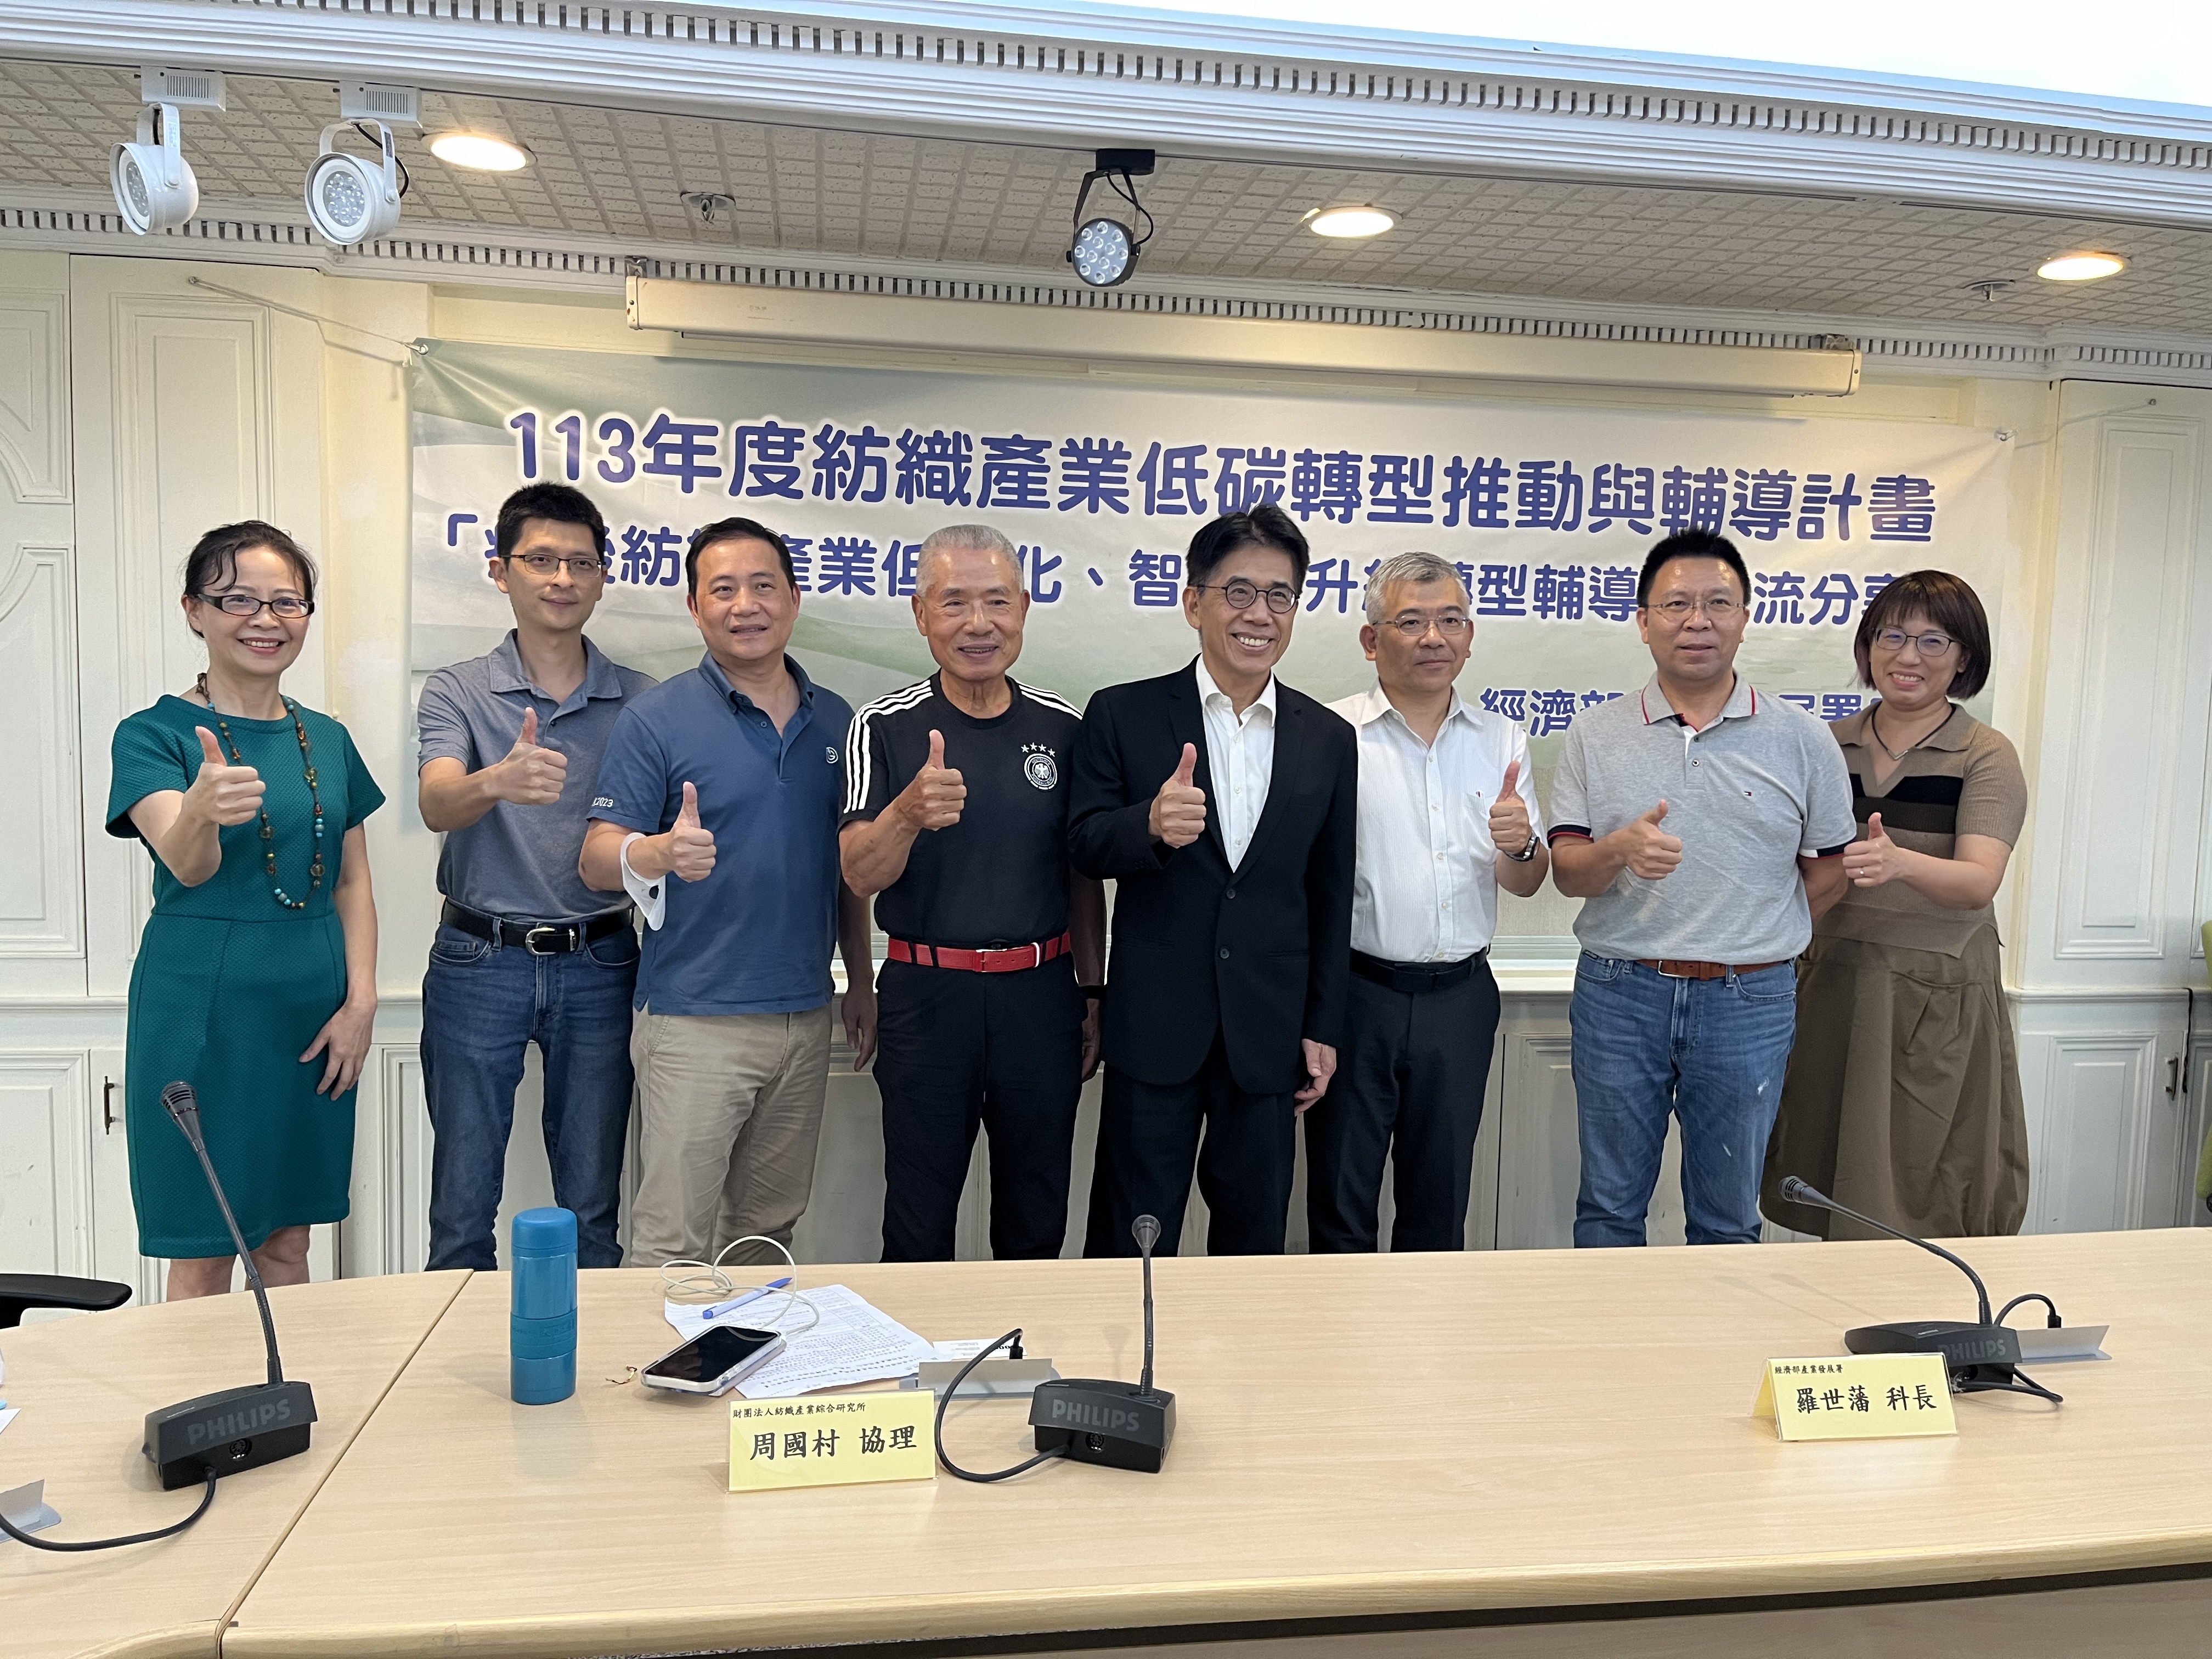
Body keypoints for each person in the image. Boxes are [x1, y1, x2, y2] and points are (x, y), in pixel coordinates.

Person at [580, 517, 875, 1268]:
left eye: (763, 586)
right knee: (671, 1243)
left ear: (795, 599)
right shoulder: (656, 717)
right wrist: (658, 851)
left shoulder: (838, 720)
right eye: (723, 590)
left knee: (767, 1236)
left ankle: (748, 1351)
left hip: (805, 1016)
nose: (746, 606)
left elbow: (848, 868)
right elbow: (595, 859)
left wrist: (861, 980)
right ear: (695, 608)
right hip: (694, 1021)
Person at [1548, 528, 1854, 1248]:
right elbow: (1567, 871)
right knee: (1609, 1208)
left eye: (1718, 603)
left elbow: (1829, 872)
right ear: (1643, 620)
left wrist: (1751, 929)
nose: (1698, 621)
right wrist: (1618, 850)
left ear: (1745, 617)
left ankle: (1719, 1331)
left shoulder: (1804, 737)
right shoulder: (1594, 732)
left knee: (1727, 1219)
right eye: (1676, 604)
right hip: (1621, 992)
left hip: (1750, 999)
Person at [1068, 503, 1357, 1257]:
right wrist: (1148, 825)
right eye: (1239, 592)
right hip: (1155, 1029)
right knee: (1130, 1244)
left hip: (1268, 1036)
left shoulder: (1327, 738)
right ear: (1194, 602)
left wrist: (1323, 1027)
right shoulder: (1123, 713)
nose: (1259, 614)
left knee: (1253, 1250)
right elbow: (1083, 843)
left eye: (1280, 595)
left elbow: (1331, 894)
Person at [108, 522, 383, 1299]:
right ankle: (201, 1384)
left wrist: (361, 1004)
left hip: (312, 1012)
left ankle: (285, 1382)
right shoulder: (153, 734)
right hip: (201, 1006)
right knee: (205, 1243)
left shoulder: (326, 738)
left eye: (287, 602)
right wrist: (199, 811)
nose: (266, 620)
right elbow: (189, 865)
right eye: (238, 600)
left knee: (291, 1238)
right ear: (194, 610)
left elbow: (352, 882)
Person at [840, 525, 1107, 1261]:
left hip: (1042, 995)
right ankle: (917, 1343)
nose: (978, 623)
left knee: (1036, 1217)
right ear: (921, 613)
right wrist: (906, 813)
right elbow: (858, 873)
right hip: (928, 998)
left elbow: (1083, 874)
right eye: (954, 602)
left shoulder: (1066, 727)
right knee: (918, 1222)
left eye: (996, 601)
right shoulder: (883, 726)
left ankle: (1026, 1339)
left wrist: (1093, 990)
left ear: (1024, 608)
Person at [415, 483, 655, 1273]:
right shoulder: (457, 688)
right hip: (479, 958)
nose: (562, 579)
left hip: (603, 960)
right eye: (541, 560)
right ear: (500, 571)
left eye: (581, 563)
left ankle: (588, 1350)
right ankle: (458, 1348)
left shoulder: (641, 701)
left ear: (602, 578)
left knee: (593, 1206)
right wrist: (498, 780)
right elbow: (436, 802)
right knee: (462, 1207)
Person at [1762, 572, 2029, 1239]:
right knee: (1821, 1174)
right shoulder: (1825, 743)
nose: (1909, 656)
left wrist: (1900, 863)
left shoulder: (1986, 754)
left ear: (1964, 658)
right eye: (1893, 636)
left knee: (1923, 1186)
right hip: (1828, 980)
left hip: (1933, 995)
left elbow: (1979, 881)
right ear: (1868, 647)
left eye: (1934, 641)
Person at [1310, 552, 1548, 1252]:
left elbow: (1526, 881)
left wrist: (1521, 846)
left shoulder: (1503, 739)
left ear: (1470, 637)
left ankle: (1428, 1326)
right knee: (1340, 1199)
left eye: (1451, 620)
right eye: (1411, 622)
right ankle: (1339, 1325)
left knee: (1440, 1203)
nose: (1434, 638)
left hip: (1460, 1000)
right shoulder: (1329, 735)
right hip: (1356, 996)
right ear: (1371, 640)